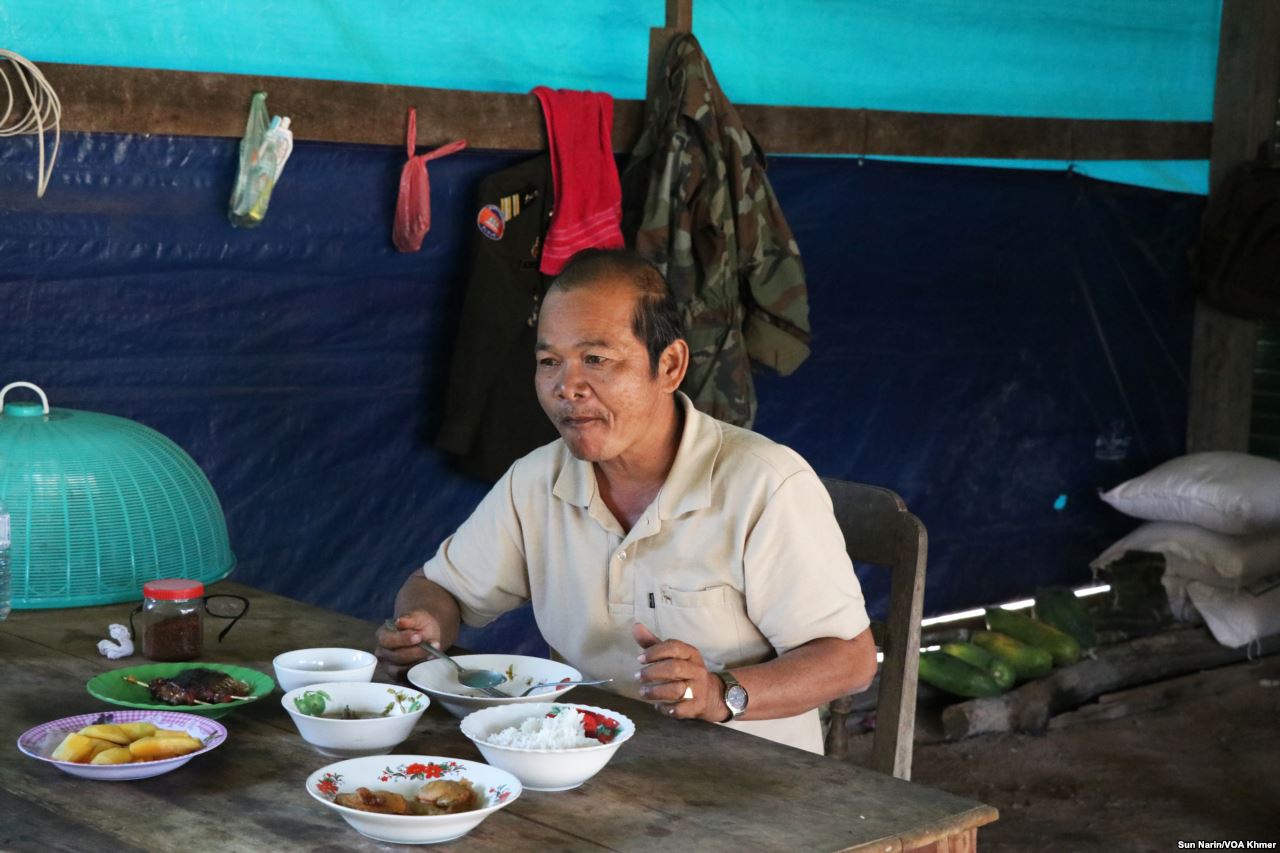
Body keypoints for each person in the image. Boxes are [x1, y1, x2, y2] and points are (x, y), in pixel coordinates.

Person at [376, 248, 876, 753]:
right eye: (549, 362)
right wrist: (425, 627)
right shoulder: (536, 481)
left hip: (754, 787)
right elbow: (438, 587)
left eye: (596, 359)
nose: (567, 387)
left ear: (670, 366)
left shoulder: (763, 486)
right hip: (586, 766)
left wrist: (720, 694)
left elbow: (850, 659)